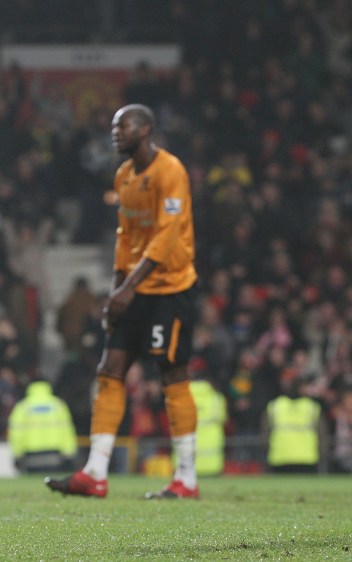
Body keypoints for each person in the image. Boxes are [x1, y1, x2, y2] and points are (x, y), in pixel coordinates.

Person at [45, 103, 200, 499]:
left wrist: (127, 288)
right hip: (135, 289)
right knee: (110, 368)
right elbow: (126, 238)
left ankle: (187, 478)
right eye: (113, 125)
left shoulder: (170, 170)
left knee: (171, 374)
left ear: (146, 129)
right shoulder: (123, 176)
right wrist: (117, 291)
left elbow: (166, 237)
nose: (115, 132)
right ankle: (95, 472)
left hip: (171, 289)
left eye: (123, 125)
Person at [8, 379, 77, 473]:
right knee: (52, 484)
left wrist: (17, 454)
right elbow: (67, 430)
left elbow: (16, 433)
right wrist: (69, 452)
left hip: (31, 455)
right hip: (54, 454)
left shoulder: (22, 407)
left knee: (31, 485)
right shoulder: (58, 405)